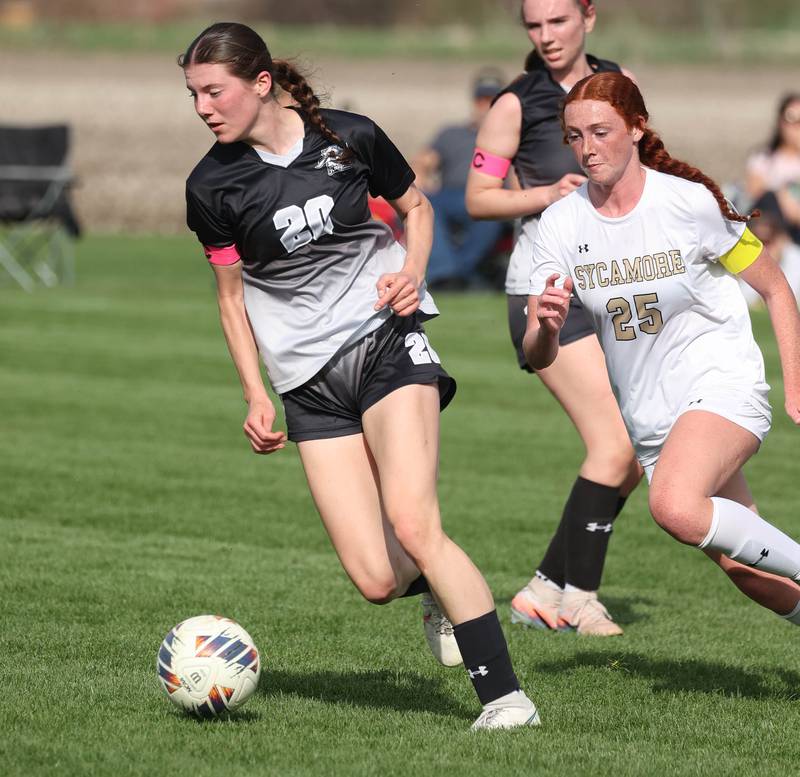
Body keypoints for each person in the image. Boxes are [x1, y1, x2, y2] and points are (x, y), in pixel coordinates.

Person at [179, 22, 539, 730]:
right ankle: (437, 588)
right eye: (192, 94)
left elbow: (417, 208)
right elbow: (230, 299)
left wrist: (410, 273)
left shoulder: (351, 138)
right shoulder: (210, 185)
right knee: (377, 579)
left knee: (414, 519)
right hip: (308, 384)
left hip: (385, 345)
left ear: (259, 83)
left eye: (212, 91)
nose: (202, 108)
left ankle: (506, 698)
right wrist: (256, 391)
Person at [524, 71, 800, 633]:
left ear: (636, 126)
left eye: (601, 131)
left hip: (721, 385)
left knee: (674, 506)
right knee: (749, 572)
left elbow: (775, 287)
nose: (588, 147)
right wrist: (546, 326)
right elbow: (537, 353)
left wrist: (795, 383)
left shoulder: (690, 203)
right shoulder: (559, 223)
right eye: (575, 136)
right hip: (652, 420)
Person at [465, 0, 641, 636]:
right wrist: (548, 194)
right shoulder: (514, 103)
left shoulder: (616, 85)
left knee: (640, 447)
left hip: (610, 284)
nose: (546, 37)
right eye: (534, 26)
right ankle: (579, 598)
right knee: (615, 444)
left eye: (558, 22)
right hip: (544, 289)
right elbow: (477, 198)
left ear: (589, 18)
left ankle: (544, 586)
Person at [414, 69, 506, 289]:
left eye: (492, 100)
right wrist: (420, 178)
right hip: (451, 196)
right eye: (481, 100)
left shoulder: (510, 135)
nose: (486, 106)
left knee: (492, 210)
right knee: (422, 202)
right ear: (474, 101)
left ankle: (457, 274)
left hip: (492, 196)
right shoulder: (451, 133)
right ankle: (445, 272)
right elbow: (424, 161)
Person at [744, 94, 800, 245]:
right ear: (780, 122)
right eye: (791, 118)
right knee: (769, 198)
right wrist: (782, 196)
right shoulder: (765, 158)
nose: (796, 125)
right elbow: (755, 193)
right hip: (774, 221)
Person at [739, 212, 800, 307]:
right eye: (758, 242)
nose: (762, 248)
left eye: (767, 241)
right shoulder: (748, 257)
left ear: (781, 239)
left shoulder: (795, 256)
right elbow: (745, 296)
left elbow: (789, 296)